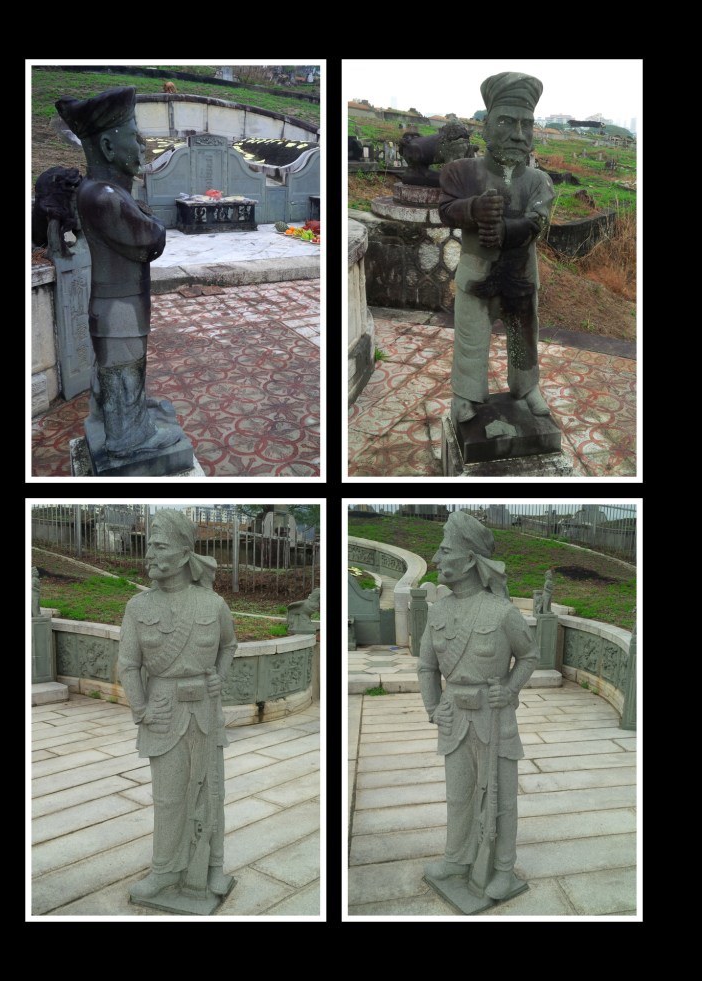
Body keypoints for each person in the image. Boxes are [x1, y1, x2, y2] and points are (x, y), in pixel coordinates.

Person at [417, 510, 538, 901]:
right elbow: (426, 666)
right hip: (455, 717)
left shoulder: (501, 611)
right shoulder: (438, 610)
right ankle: (456, 858)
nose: (436, 558)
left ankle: (502, 868)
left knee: (502, 799)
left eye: (445, 549)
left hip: (493, 716)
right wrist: (434, 708)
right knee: (459, 794)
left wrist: (512, 688)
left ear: (469, 559)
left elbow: (530, 655)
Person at [55, 87, 182, 457]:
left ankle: (130, 411)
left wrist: (142, 212)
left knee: (124, 366)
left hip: (121, 304)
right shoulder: (104, 196)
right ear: (109, 148)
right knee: (123, 365)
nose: (144, 147)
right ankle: (128, 436)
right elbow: (151, 239)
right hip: (118, 308)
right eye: (136, 138)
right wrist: (148, 218)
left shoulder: (106, 191)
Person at [118, 510, 237, 903]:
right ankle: (164, 870)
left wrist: (219, 674)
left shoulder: (213, 603)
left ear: (186, 554)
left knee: (212, 792)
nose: (150, 552)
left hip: (205, 708)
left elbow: (228, 646)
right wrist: (142, 710)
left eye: (160, 545)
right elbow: (128, 665)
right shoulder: (138, 607)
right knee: (168, 797)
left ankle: (214, 866)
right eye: (150, 544)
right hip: (163, 710)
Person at [438, 72, 555, 427]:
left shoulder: (539, 181)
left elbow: (539, 221)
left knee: (523, 333)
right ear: (485, 127)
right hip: (477, 270)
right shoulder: (460, 172)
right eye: (506, 122)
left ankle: (526, 387)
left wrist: (505, 229)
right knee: (471, 335)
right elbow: (446, 209)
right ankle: (465, 394)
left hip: (521, 273)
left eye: (526, 124)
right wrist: (473, 209)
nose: (519, 134)